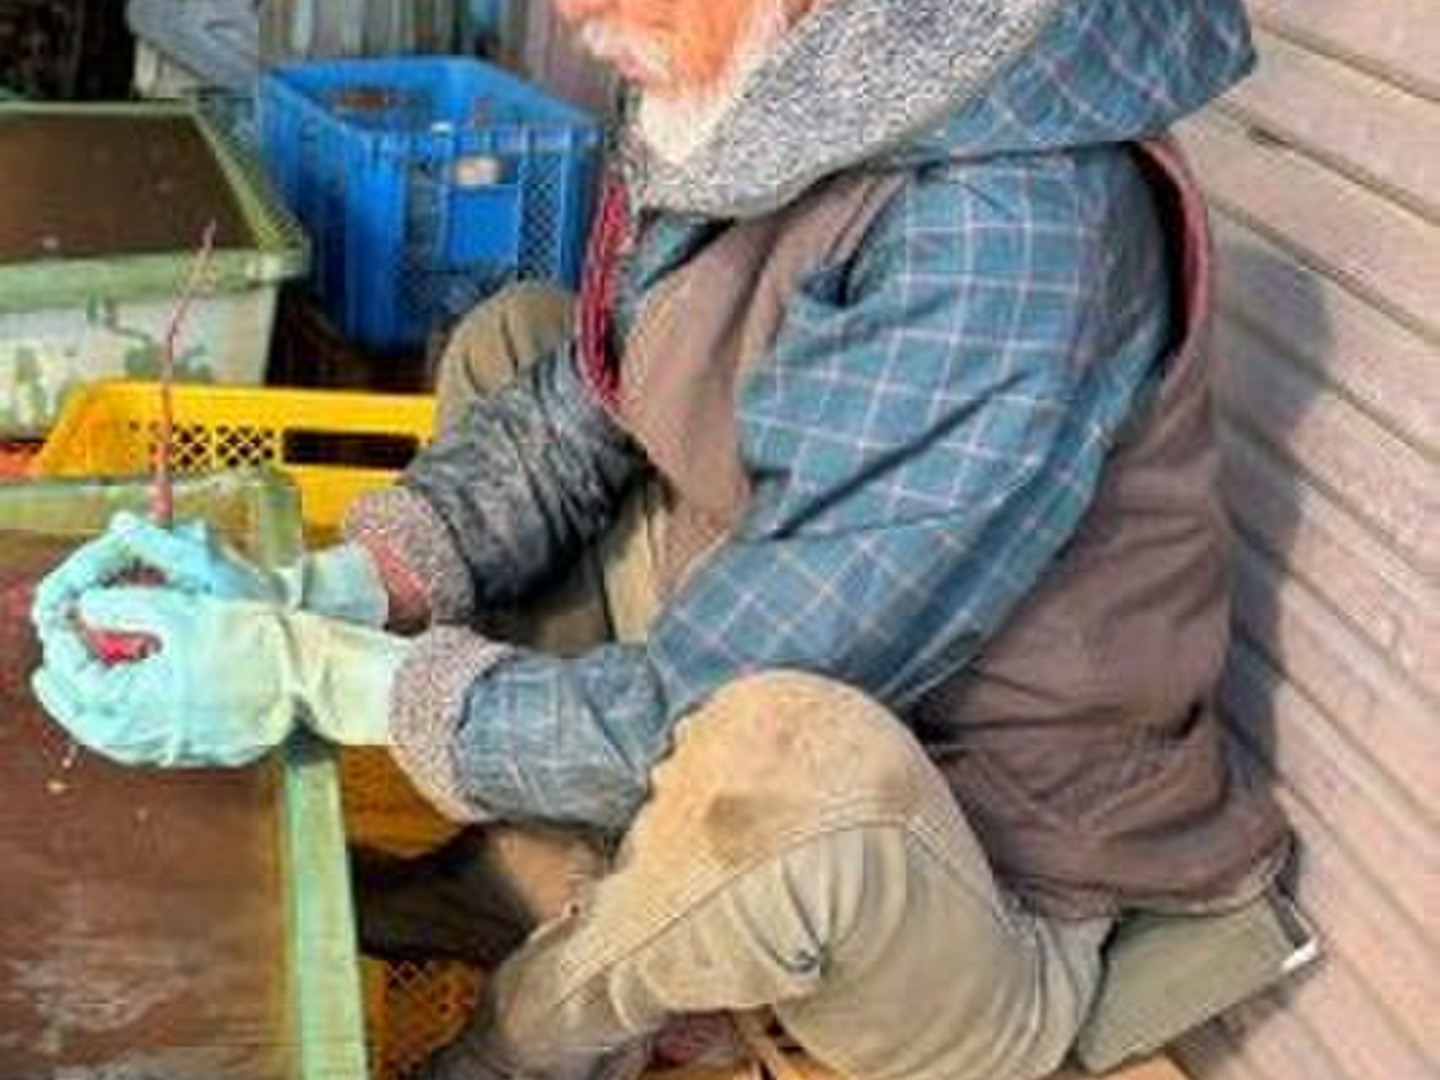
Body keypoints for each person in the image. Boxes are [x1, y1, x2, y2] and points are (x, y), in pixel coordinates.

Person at [31, 1, 1293, 1079]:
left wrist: (324, 676)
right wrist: (342, 587)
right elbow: (588, 395)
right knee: (518, 337)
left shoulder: (1009, 227)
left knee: (782, 760)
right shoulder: (790, 80)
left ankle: (537, 1032)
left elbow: (713, 701)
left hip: (970, 856)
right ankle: (547, 868)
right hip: (749, 621)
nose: (576, 14)